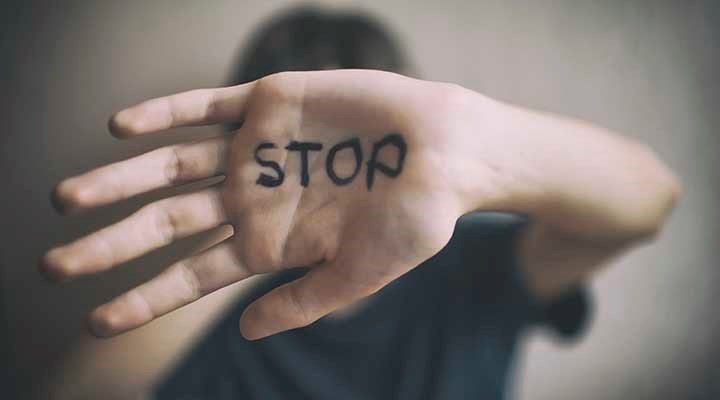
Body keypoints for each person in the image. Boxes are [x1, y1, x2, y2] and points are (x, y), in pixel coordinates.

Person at [41, 6, 680, 400]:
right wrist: (226, 241)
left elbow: (650, 200)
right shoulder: (220, 317)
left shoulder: (475, 265)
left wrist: (478, 144)